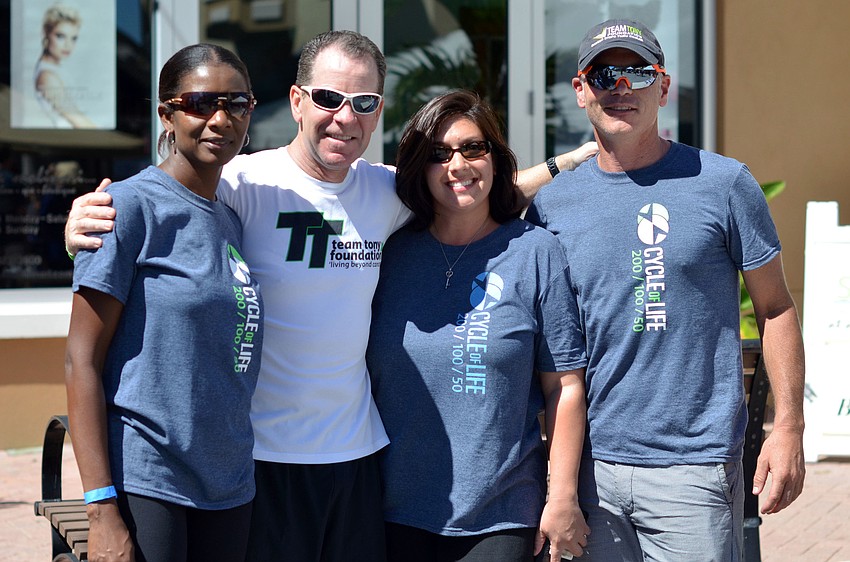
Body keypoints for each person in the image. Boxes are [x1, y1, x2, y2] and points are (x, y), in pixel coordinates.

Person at [64, 30, 596, 561]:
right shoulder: (240, 183)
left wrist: (561, 166)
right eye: (328, 98)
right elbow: (167, 206)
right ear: (297, 101)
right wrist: (85, 229)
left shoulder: (386, 192)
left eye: (363, 103)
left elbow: (469, 195)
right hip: (260, 463)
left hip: (358, 461)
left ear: (379, 110)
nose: (345, 116)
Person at [525, 19, 806, 561]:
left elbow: (775, 308)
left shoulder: (723, 183)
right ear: (581, 89)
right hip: (590, 472)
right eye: (605, 73)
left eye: (639, 72)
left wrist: (789, 427)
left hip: (694, 469)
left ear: (664, 86)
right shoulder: (553, 207)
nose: (622, 88)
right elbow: (461, 203)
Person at [366, 89, 590, 562]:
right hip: (390, 510)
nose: (458, 165)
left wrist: (562, 495)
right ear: (418, 168)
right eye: (438, 154)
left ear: (495, 159)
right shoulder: (390, 253)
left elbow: (564, 385)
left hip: (500, 513)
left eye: (473, 148)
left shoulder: (535, 252)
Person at [64, 43, 262, 562]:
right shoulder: (127, 208)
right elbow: (80, 361)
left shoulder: (231, 217)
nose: (220, 119)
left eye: (236, 103)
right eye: (200, 103)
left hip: (229, 479)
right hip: (150, 477)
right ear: (167, 115)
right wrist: (100, 509)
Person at [35, 3, 96, 128]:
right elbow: (80, 122)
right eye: (60, 36)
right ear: (45, 33)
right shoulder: (47, 76)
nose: (68, 45)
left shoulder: (55, 70)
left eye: (73, 38)